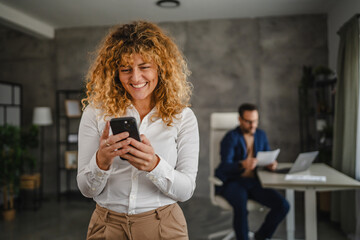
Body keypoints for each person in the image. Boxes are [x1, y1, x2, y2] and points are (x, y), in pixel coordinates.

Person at [77, 21, 199, 240]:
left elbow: (186, 190)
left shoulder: (184, 117)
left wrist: (154, 165)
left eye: (144, 67)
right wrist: (101, 161)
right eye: (125, 69)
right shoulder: (95, 113)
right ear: (115, 72)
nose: (135, 78)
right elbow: (87, 190)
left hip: (164, 226)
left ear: (161, 67)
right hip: (106, 227)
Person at [215, 103, 289, 240]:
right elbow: (225, 166)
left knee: (283, 205)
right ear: (240, 120)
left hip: (253, 182)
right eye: (249, 122)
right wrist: (242, 164)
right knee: (241, 207)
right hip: (233, 182)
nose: (253, 125)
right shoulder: (231, 137)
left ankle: (260, 237)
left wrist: (270, 165)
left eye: (255, 121)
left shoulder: (261, 135)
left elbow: (266, 156)